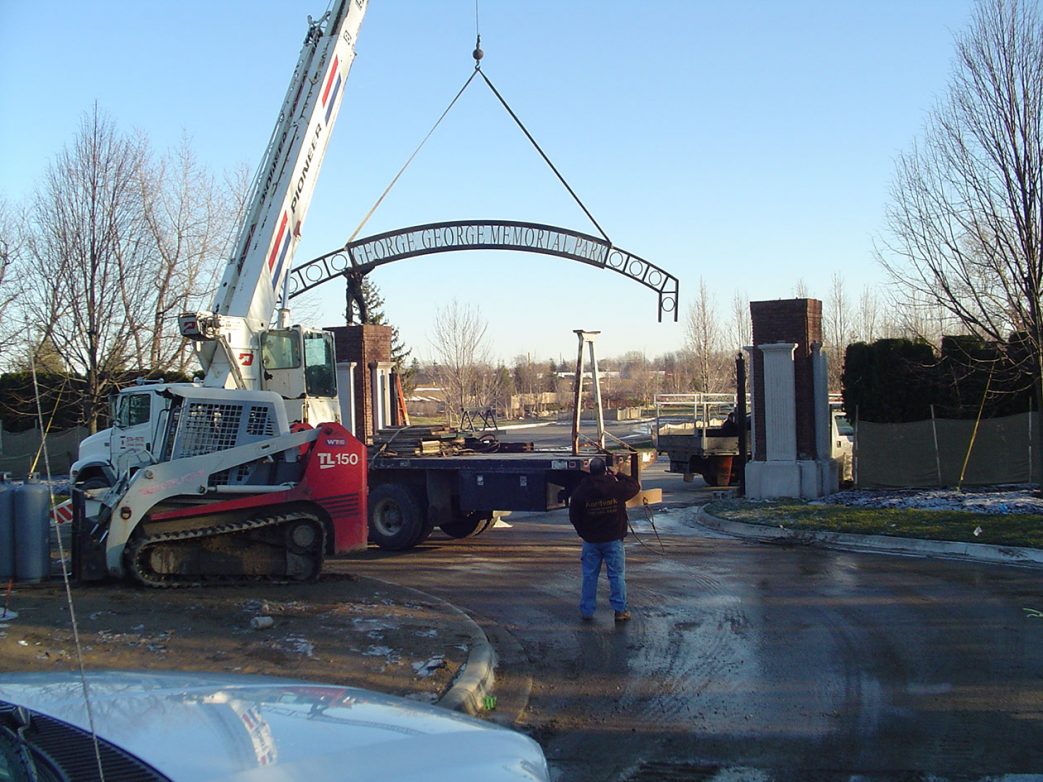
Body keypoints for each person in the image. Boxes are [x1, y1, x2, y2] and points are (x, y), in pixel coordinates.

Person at [568, 456, 641, 623]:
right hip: (613, 540)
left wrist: (583, 533)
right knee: (616, 576)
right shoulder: (615, 487)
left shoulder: (581, 491)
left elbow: (574, 516)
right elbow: (635, 486)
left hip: (591, 541)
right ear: (605, 471)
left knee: (589, 576)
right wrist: (619, 474)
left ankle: (587, 611)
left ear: (590, 471)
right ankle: (620, 610)